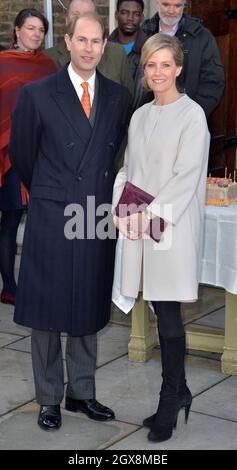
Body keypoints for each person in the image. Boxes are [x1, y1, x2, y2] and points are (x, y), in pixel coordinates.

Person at [9, 12, 131, 431]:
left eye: (97, 41)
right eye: (82, 40)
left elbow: (114, 156)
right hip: (51, 210)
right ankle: (49, 398)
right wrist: (50, 193)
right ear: (67, 41)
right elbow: (24, 155)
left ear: (104, 46)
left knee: (87, 301)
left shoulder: (118, 96)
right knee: (46, 308)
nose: (89, 49)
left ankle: (82, 392)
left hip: (94, 213)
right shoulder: (38, 94)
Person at [112, 33, 210, 443]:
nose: (157, 72)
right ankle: (178, 390)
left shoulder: (192, 115)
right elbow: (127, 170)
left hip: (170, 226)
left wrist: (148, 216)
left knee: (168, 314)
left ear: (179, 68)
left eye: (165, 65)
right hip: (139, 225)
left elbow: (186, 178)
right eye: (151, 65)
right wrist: (120, 209)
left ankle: (171, 399)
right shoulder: (139, 116)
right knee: (156, 309)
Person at [0, 9, 57, 306]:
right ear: (17, 29)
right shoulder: (3, 63)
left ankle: (37, 282)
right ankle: (9, 286)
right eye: (31, 28)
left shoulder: (47, 65)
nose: (36, 34)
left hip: (42, 154)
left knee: (41, 220)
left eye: (40, 30)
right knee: (10, 219)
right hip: (10, 154)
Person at [140, 0, 224, 117]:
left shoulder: (202, 37)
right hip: (149, 118)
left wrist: (191, 116)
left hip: (189, 119)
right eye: (166, 4)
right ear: (157, 2)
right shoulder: (142, 33)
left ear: (184, 5)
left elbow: (213, 82)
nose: (171, 11)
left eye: (177, 6)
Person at [45, 0, 134, 97]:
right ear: (66, 19)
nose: (83, 21)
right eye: (76, 15)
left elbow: (128, 98)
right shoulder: (48, 57)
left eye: (88, 15)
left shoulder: (117, 53)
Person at [108, 0, 147, 110]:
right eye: (125, 12)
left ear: (142, 17)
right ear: (116, 15)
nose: (130, 18)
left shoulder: (149, 50)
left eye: (136, 14)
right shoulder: (104, 48)